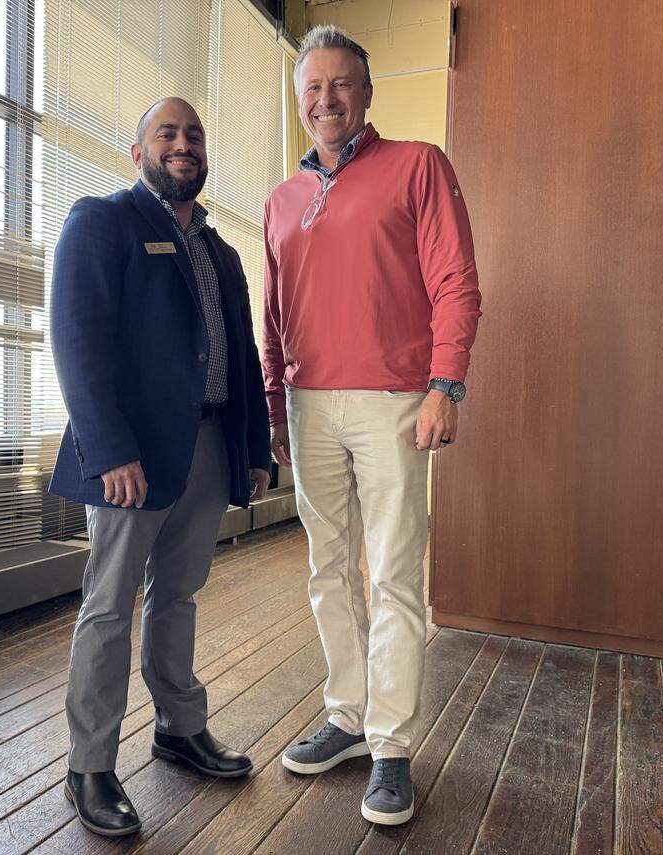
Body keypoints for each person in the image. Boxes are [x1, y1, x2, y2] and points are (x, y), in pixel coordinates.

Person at [262, 25, 482, 826]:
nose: (326, 99)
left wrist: (444, 383)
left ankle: (390, 745)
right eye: (312, 88)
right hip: (308, 401)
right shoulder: (281, 199)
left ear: (366, 91)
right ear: (300, 102)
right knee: (329, 571)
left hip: (394, 398)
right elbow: (275, 315)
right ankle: (347, 718)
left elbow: (457, 280)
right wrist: (271, 404)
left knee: (392, 572)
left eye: (340, 84)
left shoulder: (418, 165)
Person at [48, 96, 273, 837]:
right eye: (166, 133)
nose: (183, 143)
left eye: (194, 135)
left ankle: (179, 728)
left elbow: (242, 358)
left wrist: (253, 450)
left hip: (207, 449)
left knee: (178, 598)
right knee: (110, 605)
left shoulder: (220, 252)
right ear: (137, 151)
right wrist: (109, 448)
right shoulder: (102, 221)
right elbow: (78, 341)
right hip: (131, 459)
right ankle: (90, 766)